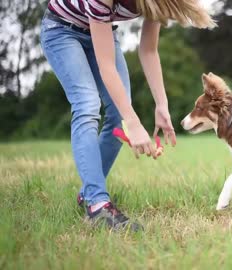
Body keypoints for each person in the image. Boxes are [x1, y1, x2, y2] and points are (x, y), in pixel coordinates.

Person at [40, 0, 216, 231]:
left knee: (116, 115)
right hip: (62, 31)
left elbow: (149, 50)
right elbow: (107, 66)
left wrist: (161, 105)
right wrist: (133, 122)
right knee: (87, 104)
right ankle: (98, 205)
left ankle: (89, 193)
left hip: (102, 33)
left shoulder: (155, 2)